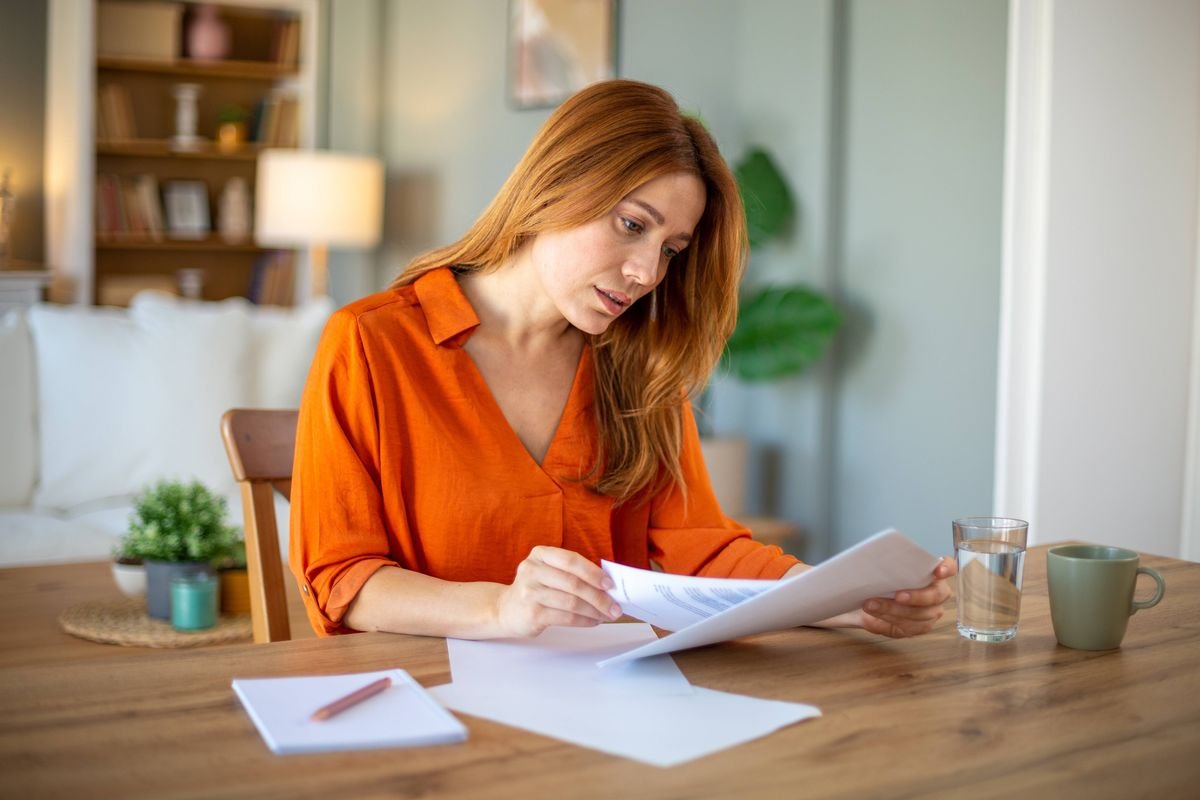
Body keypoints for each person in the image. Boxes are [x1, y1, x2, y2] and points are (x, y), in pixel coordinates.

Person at [289, 79, 955, 641]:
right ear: (556, 185)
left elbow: (706, 548)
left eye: (672, 249)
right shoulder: (371, 344)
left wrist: (844, 598)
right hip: (428, 717)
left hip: (611, 716)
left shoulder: (640, 365)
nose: (645, 272)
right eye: (632, 225)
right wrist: (498, 609)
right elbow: (341, 577)